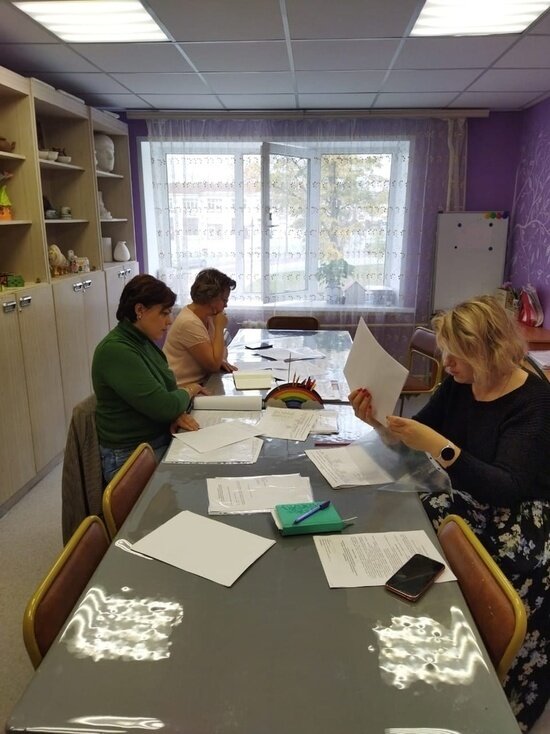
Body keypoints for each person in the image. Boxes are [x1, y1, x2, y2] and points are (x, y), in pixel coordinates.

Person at [349, 295, 550, 732]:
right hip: (468, 502)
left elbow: (507, 488)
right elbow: (416, 433)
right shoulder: (461, 381)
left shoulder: (535, 402)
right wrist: (379, 423)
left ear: (492, 351)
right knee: (396, 522)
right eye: (445, 351)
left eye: (457, 354)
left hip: (519, 526)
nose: (447, 363)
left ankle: (491, 701)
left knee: (452, 578)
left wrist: (439, 447)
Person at [92, 274, 206, 483]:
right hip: (131, 456)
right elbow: (165, 405)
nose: (169, 321)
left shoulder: (141, 341)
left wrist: (175, 412)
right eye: (164, 313)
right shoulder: (116, 351)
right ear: (140, 310)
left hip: (154, 441)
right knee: (199, 477)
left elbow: (165, 395)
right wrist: (189, 390)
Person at [164, 268, 237, 386]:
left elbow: (220, 356)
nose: (226, 305)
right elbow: (214, 366)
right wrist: (219, 328)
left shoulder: (208, 316)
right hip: (183, 389)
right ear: (211, 298)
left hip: (201, 384)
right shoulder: (189, 322)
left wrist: (219, 360)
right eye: (224, 300)